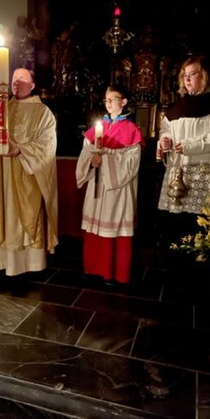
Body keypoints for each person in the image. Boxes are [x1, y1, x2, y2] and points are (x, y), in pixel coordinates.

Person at [0, 68, 58, 277]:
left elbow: (47, 146)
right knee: (2, 213)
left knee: (26, 216)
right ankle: (4, 261)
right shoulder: (2, 107)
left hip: (27, 174)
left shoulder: (43, 112)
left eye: (22, 79)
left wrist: (20, 149)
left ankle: (28, 264)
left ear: (32, 85)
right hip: (1, 174)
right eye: (13, 79)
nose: (16, 83)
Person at [156, 55, 210, 257]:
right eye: (185, 75)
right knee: (178, 228)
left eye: (193, 74)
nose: (187, 79)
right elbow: (166, 130)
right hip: (180, 175)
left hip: (208, 175)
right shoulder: (178, 106)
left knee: (203, 228)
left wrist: (191, 145)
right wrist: (164, 141)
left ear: (206, 75)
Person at [75, 84, 144, 285]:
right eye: (106, 100)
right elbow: (85, 152)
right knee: (95, 223)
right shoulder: (98, 127)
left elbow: (132, 163)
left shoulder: (131, 129)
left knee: (114, 224)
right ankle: (93, 267)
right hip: (97, 186)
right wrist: (91, 160)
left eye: (113, 99)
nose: (109, 103)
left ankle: (114, 272)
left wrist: (105, 159)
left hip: (118, 189)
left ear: (124, 102)